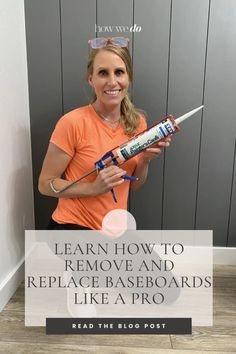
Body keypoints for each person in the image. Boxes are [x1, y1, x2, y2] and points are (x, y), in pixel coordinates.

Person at [38, 37, 171, 230]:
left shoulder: (137, 123)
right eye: (103, 73)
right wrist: (92, 188)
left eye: (119, 72)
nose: (112, 81)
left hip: (112, 228)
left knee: (155, 263)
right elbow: (45, 184)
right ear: (91, 79)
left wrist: (145, 160)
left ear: (129, 78)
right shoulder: (72, 123)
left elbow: (134, 185)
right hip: (71, 225)